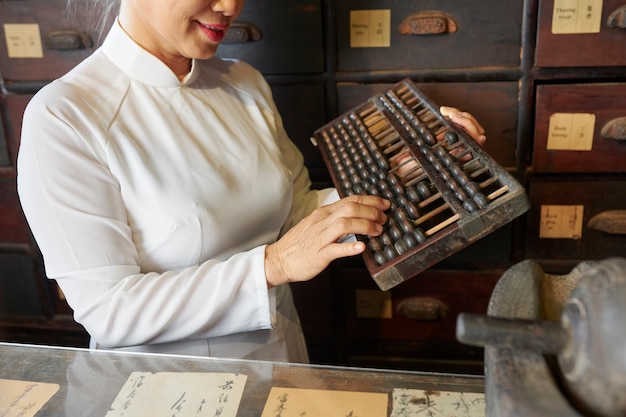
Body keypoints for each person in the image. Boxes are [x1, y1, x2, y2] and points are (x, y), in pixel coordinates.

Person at [17, 0, 486, 362]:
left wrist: (416, 165)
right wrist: (274, 265)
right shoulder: (65, 117)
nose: (231, 6)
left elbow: (298, 211)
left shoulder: (243, 82)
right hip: (167, 386)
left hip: (281, 356)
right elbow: (108, 310)